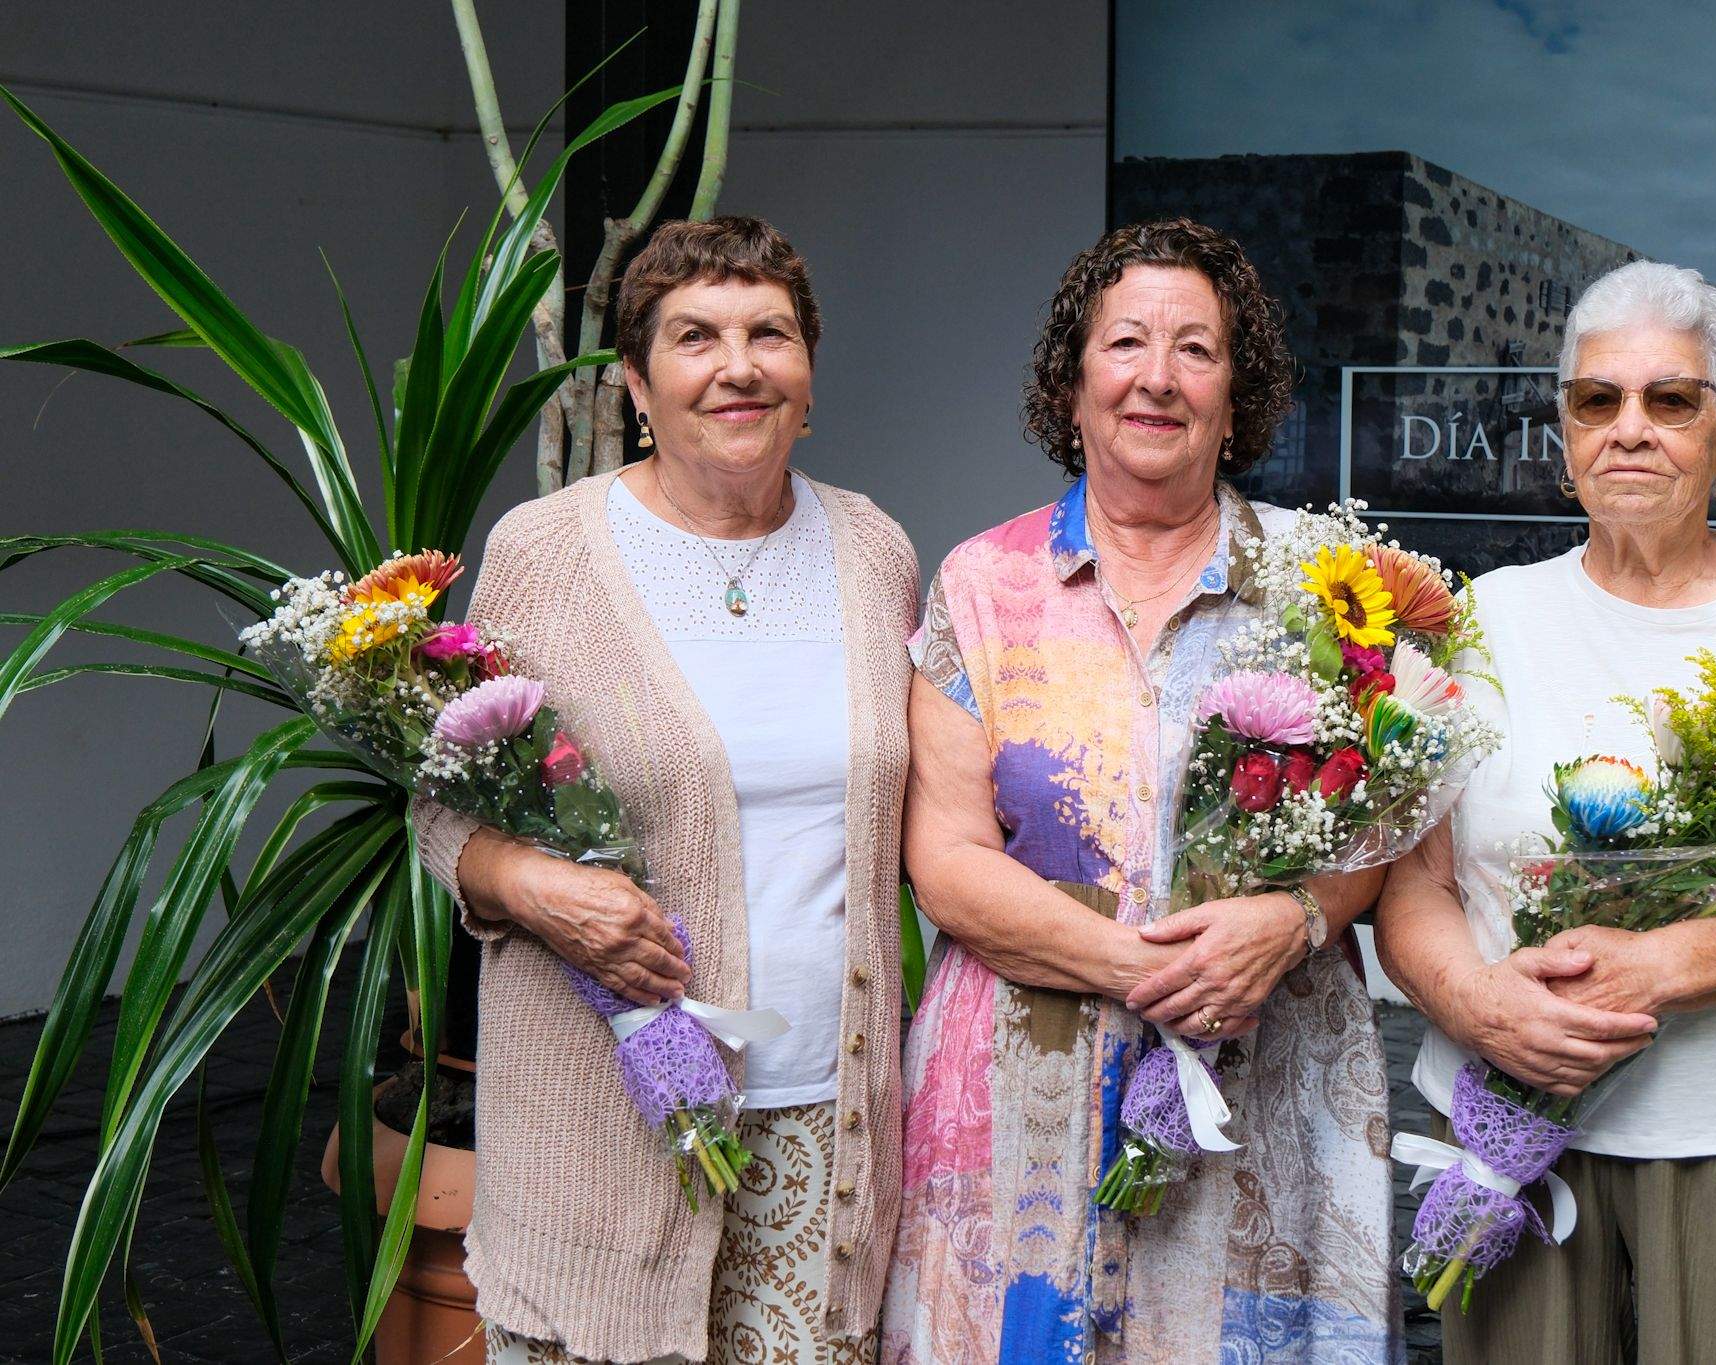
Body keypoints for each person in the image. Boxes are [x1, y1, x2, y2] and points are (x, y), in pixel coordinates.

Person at [882, 219, 1402, 1363]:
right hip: (1020, 1086)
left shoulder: (1329, 585)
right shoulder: (982, 581)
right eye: (1123, 345)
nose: (1155, 378)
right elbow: (949, 862)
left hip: (1264, 1094)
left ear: (1237, 391)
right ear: (1072, 385)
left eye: (1195, 351)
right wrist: (1154, 973)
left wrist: (1294, 914)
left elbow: (1384, 822)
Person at [413, 216, 917, 1364]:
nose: (737, 365)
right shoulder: (546, 549)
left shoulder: (872, 548)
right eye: (695, 336)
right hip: (601, 1117)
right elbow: (445, 804)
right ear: (638, 383)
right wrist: (531, 884)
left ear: (807, 376)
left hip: (819, 1124)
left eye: (769, 334)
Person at [1376, 259, 1716, 1365]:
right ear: (1563, 431)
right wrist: (1476, 1006)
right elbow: (1413, 882)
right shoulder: (1484, 617)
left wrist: (1644, 975)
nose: (1628, 429)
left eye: (1671, 400)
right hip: (1503, 1129)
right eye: (1595, 400)